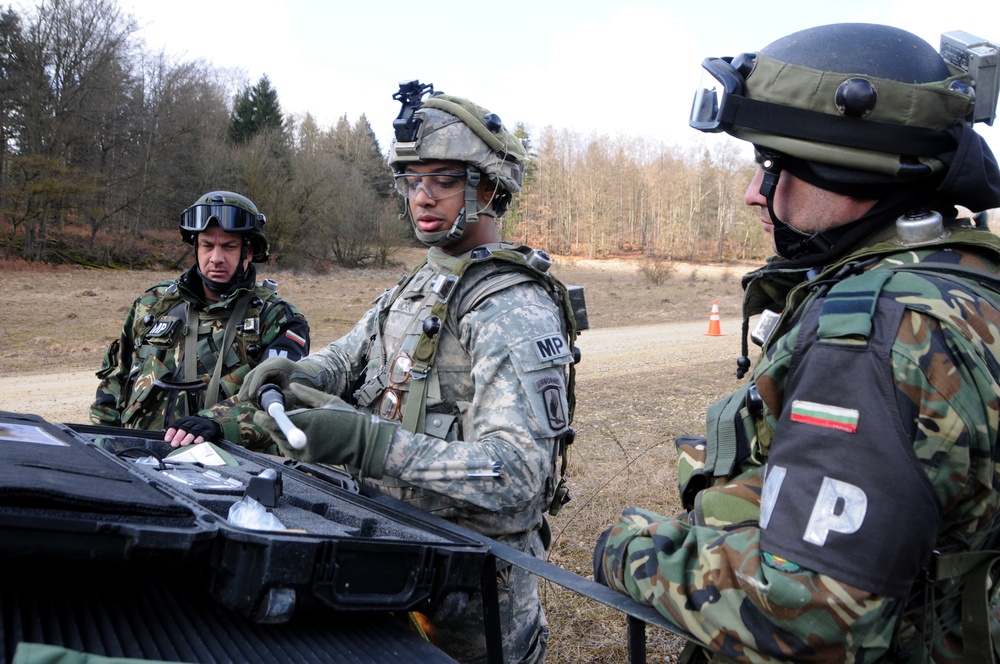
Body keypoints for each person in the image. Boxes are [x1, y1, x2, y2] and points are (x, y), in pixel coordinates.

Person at [594, 23, 1000, 663]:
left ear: (849, 165)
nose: (755, 192)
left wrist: (632, 552)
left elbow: (810, 611)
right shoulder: (971, 283)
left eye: (771, 164)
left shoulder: (873, 330)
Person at [224, 82, 578, 663]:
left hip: (472, 581)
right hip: (397, 548)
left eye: (444, 181)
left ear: (488, 186)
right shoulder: (424, 280)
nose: (423, 198)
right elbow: (352, 354)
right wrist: (293, 371)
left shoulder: (508, 302)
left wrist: (366, 442)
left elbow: (519, 475)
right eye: (414, 182)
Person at [91, 191, 310, 448]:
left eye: (229, 246)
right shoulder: (152, 305)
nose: (216, 258)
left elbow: (282, 399)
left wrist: (219, 423)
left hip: (234, 473)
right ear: (196, 248)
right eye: (207, 245)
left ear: (248, 253)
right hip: (140, 465)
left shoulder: (277, 318)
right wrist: (103, 448)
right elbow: (114, 386)